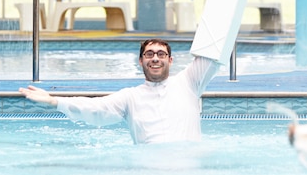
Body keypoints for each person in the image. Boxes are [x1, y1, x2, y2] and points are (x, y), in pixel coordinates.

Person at [19, 38, 219, 144]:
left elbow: (214, 52)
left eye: (161, 54)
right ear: (141, 61)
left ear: (170, 60)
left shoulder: (189, 83)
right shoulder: (130, 97)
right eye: (149, 54)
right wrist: (55, 101)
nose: (155, 58)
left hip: (188, 167)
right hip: (151, 168)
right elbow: (95, 108)